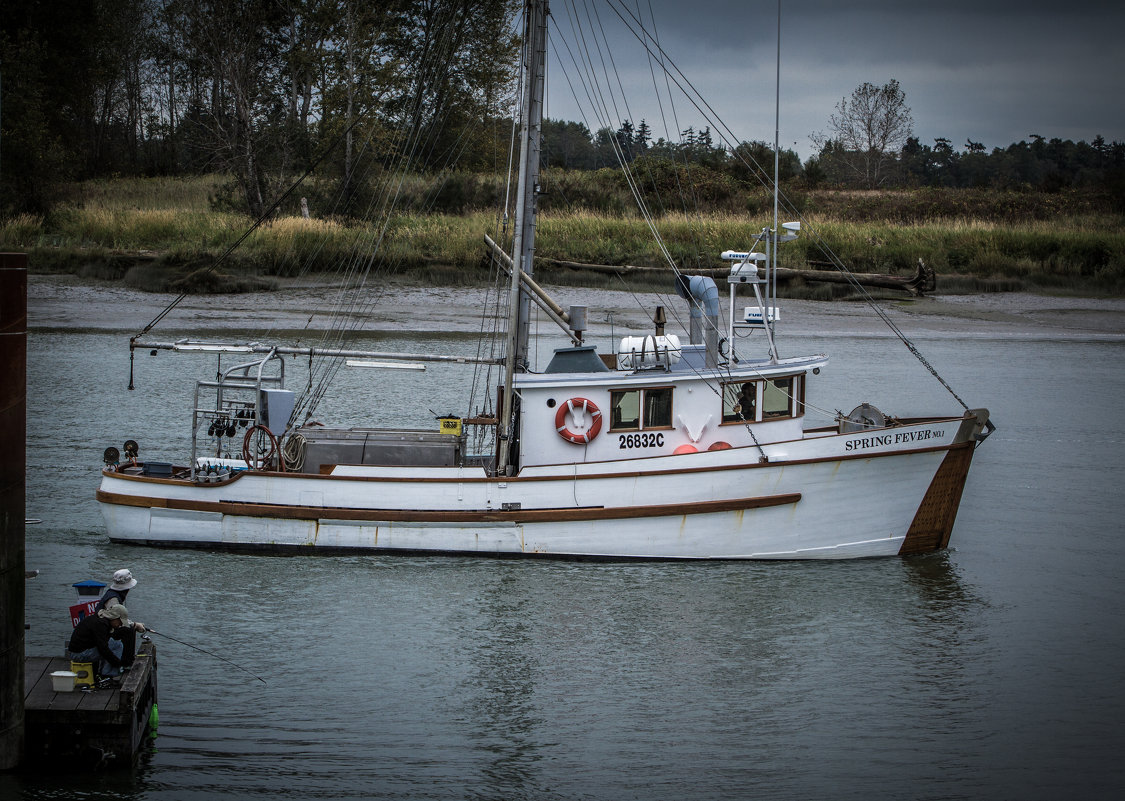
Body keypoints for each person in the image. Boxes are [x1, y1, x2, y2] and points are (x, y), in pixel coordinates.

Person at [94, 569, 147, 667]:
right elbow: (116, 620)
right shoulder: (113, 599)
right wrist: (135, 625)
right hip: (104, 631)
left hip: (105, 628)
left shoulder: (112, 593)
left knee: (129, 628)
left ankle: (127, 658)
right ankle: (126, 662)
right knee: (129, 631)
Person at [68, 604, 132, 681]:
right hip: (79, 654)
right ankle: (107, 675)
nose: (120, 625)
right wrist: (118, 663)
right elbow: (103, 649)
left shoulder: (100, 618)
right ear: (114, 617)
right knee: (117, 645)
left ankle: (105, 672)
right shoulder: (101, 624)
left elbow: (104, 642)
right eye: (120, 622)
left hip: (79, 651)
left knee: (113, 643)